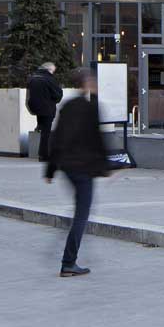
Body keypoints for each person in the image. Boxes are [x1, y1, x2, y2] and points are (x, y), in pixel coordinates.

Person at [44, 68, 113, 276]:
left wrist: (51, 170)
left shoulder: (68, 106)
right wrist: (106, 167)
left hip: (68, 167)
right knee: (82, 214)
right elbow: (98, 139)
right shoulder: (91, 107)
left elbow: (57, 139)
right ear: (87, 84)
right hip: (83, 168)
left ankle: (68, 257)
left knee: (80, 209)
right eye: (93, 81)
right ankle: (68, 262)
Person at [24, 62, 63, 160]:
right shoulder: (49, 79)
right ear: (49, 70)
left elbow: (28, 95)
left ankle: (38, 128)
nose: (53, 73)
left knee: (41, 127)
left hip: (35, 108)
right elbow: (58, 95)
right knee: (46, 132)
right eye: (53, 71)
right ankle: (43, 155)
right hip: (47, 109)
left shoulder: (32, 78)